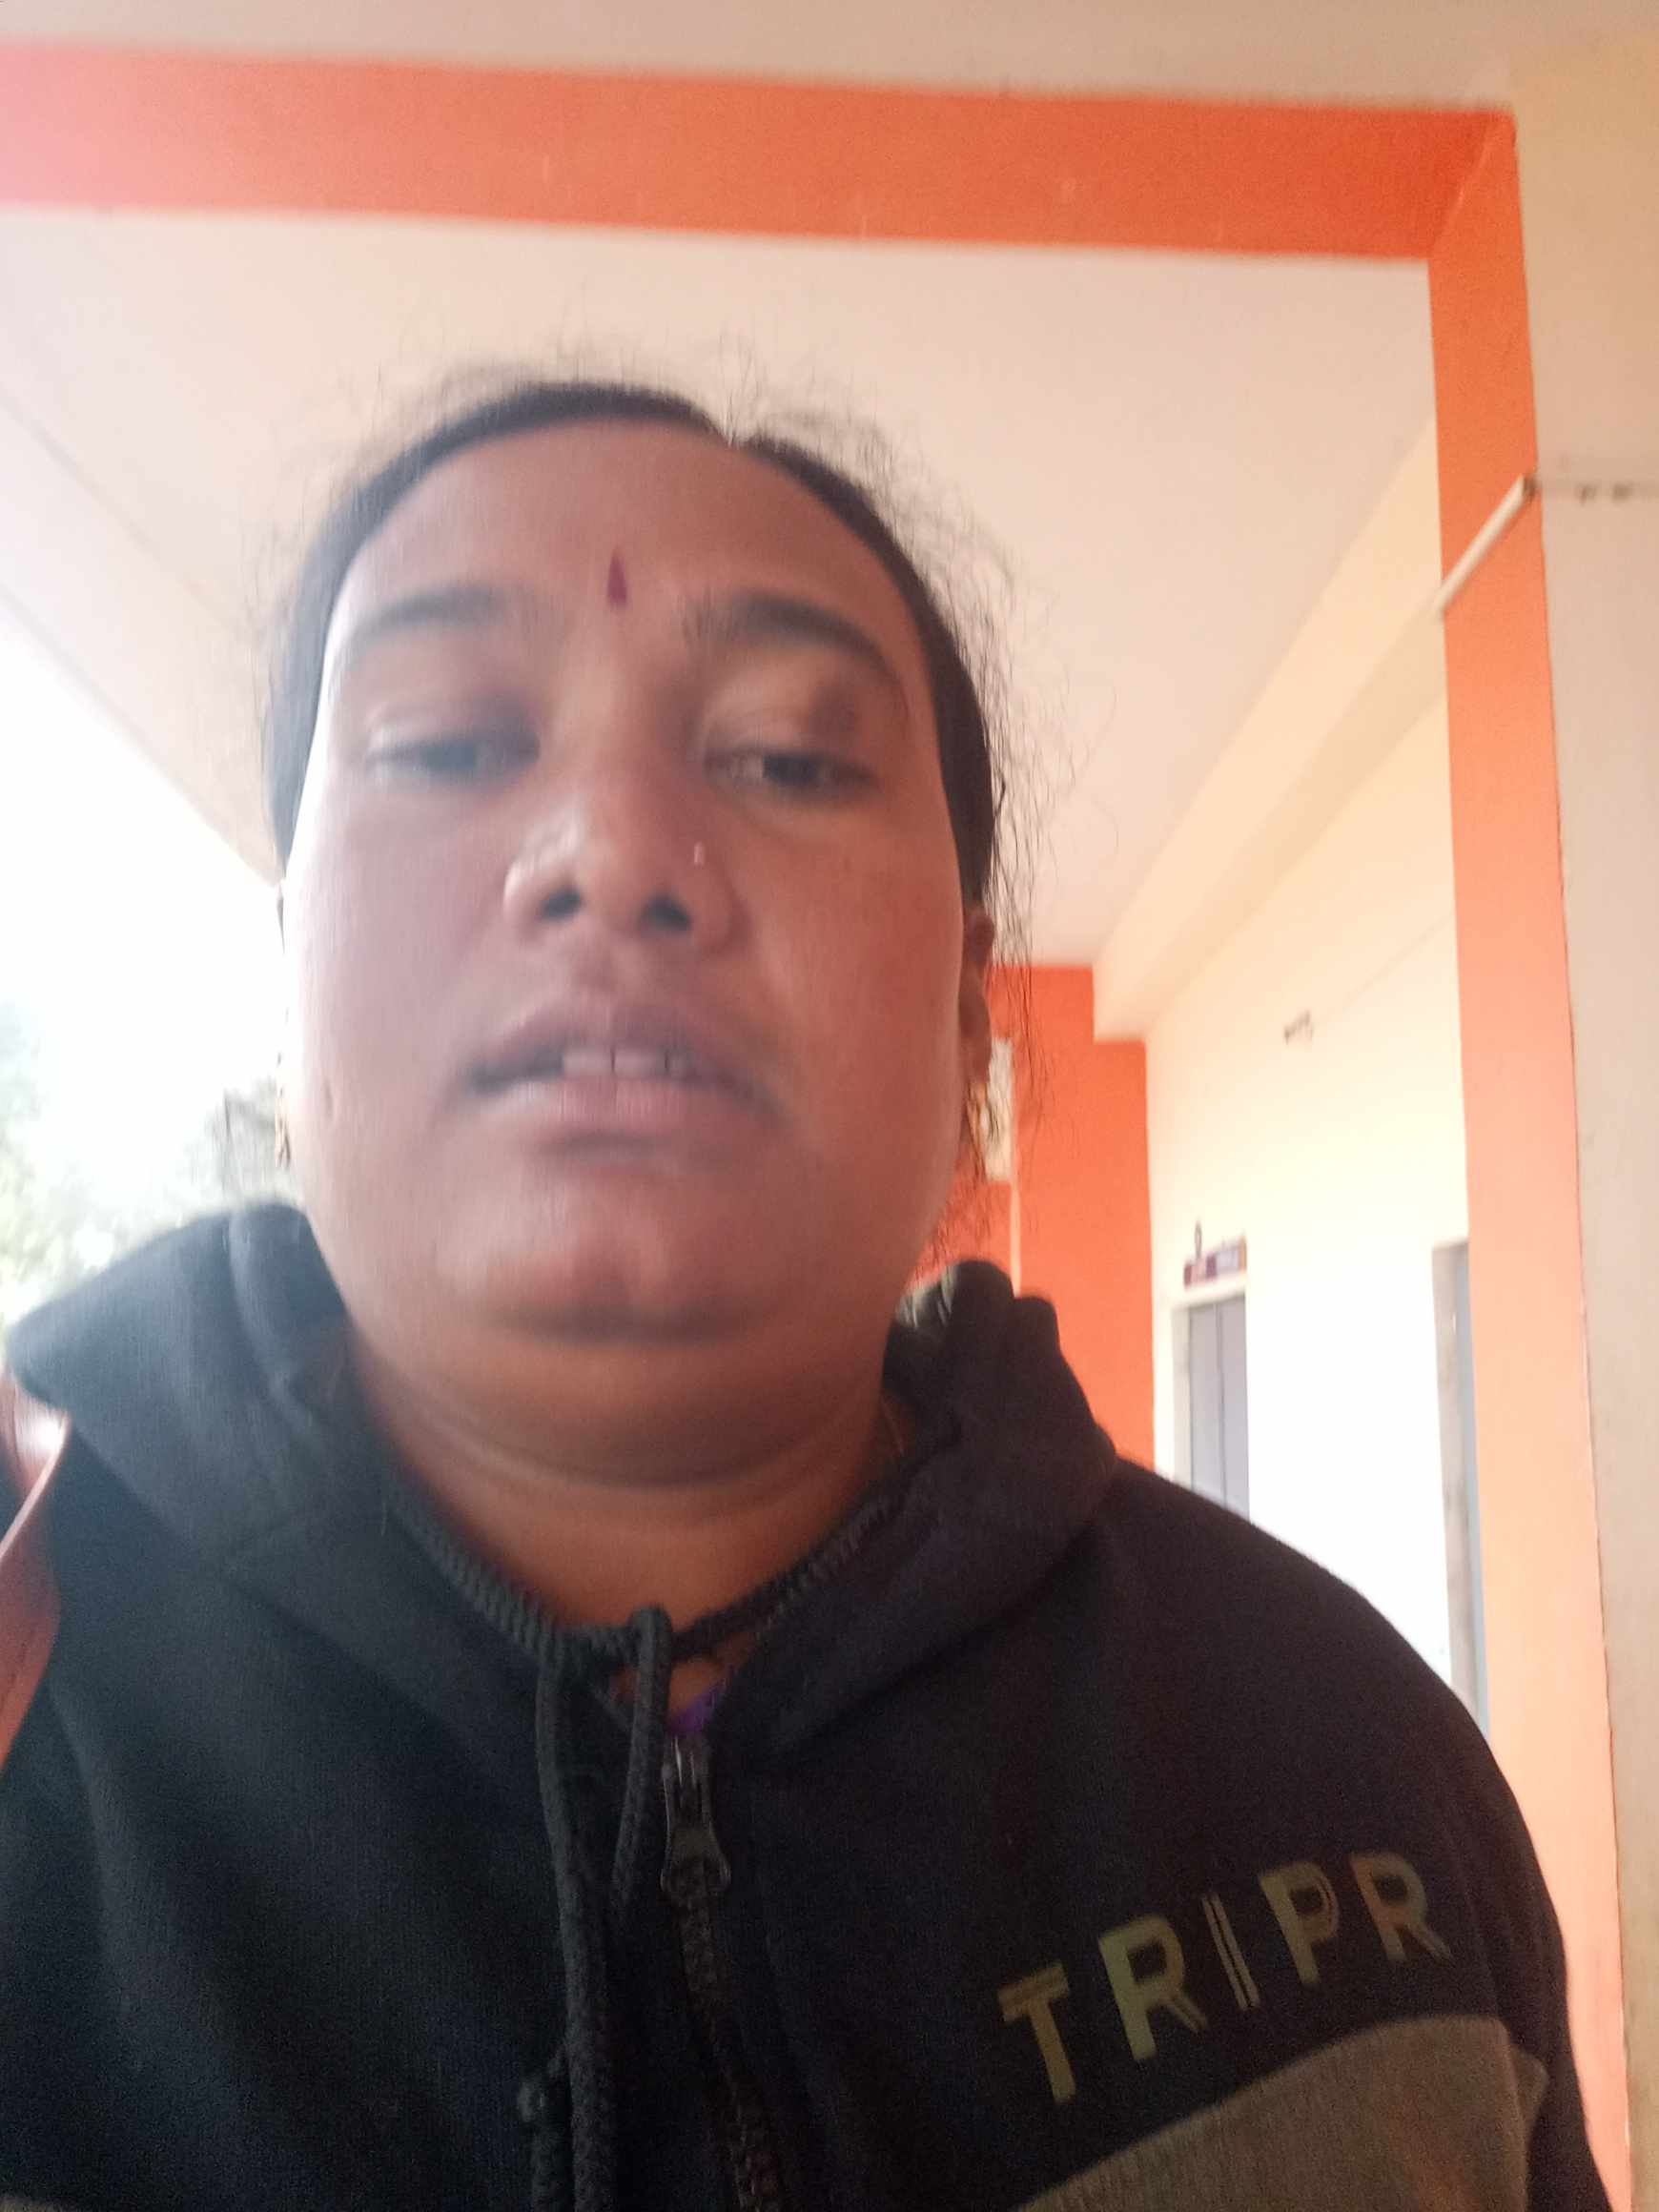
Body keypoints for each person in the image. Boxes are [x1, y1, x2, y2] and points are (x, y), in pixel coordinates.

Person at [0, 380, 1608, 2212]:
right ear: (289, 963)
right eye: (446, 743)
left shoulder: (1341, 1756)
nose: (611, 852)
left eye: (787, 758)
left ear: (969, 1017)